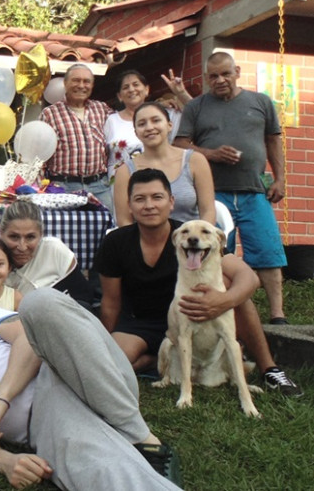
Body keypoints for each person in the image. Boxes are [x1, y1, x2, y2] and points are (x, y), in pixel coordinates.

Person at [0, 291, 183, 490]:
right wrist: (5, 461)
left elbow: (30, 340)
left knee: (38, 303)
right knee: (108, 474)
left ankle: (139, 436)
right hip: (47, 421)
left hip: (77, 370)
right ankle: (145, 447)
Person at [96, 168, 301, 396]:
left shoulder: (191, 235)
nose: (149, 205)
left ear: (171, 202)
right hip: (140, 323)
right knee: (112, 366)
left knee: (234, 291)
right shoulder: (116, 242)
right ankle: (154, 361)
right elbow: (111, 303)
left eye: (157, 197)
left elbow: (248, 277)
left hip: (192, 314)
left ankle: (270, 369)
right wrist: (104, 345)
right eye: (140, 199)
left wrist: (223, 301)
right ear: (130, 205)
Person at [174, 51, 289, 324]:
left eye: (226, 73)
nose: (220, 80)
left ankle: (278, 315)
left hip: (253, 191)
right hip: (213, 195)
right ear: (206, 79)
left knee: (268, 252)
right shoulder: (197, 107)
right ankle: (229, 313)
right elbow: (179, 145)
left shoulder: (260, 102)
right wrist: (211, 154)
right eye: (213, 76)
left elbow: (273, 140)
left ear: (237, 71)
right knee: (218, 256)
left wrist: (280, 178)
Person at [113, 102, 215, 226]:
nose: (149, 127)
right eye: (142, 124)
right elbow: (124, 221)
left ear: (170, 125)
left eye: (156, 120)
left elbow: (208, 211)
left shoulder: (195, 160)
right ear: (136, 133)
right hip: (144, 242)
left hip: (190, 241)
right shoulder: (125, 171)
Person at [40, 64, 113, 210]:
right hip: (64, 187)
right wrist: (40, 190)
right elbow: (40, 157)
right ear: (65, 83)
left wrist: (166, 106)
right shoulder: (49, 114)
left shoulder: (102, 110)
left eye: (86, 81)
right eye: (76, 80)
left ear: (92, 85)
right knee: (65, 230)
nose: (81, 85)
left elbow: (126, 124)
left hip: (100, 186)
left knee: (107, 229)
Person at [104, 70, 192, 183]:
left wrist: (181, 93)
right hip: (119, 185)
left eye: (136, 84)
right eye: (125, 87)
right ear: (120, 96)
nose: (131, 89)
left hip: (158, 183)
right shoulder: (111, 120)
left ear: (146, 89)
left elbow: (198, 116)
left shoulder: (165, 114)